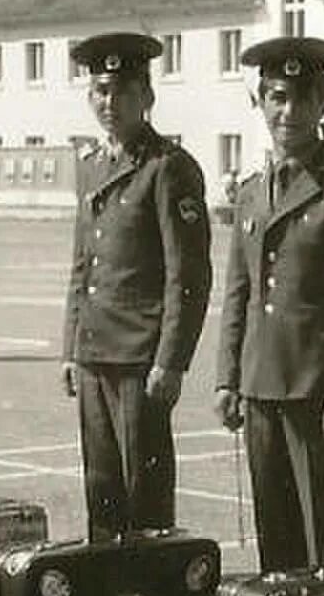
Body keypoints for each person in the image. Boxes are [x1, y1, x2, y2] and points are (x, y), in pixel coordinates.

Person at [213, 36, 324, 572]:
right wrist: (228, 379)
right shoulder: (250, 192)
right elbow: (238, 294)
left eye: (299, 98)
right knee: (277, 533)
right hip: (261, 383)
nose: (286, 111)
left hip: (317, 387)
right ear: (260, 102)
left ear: (321, 105)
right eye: (275, 97)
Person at [61, 32, 212, 539]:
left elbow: (187, 275)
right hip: (96, 351)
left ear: (147, 97)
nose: (110, 103)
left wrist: (171, 360)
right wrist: (70, 348)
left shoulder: (168, 169)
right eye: (101, 91)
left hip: (140, 357)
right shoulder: (92, 168)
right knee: (100, 488)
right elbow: (83, 267)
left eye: (123, 91)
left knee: (143, 493)